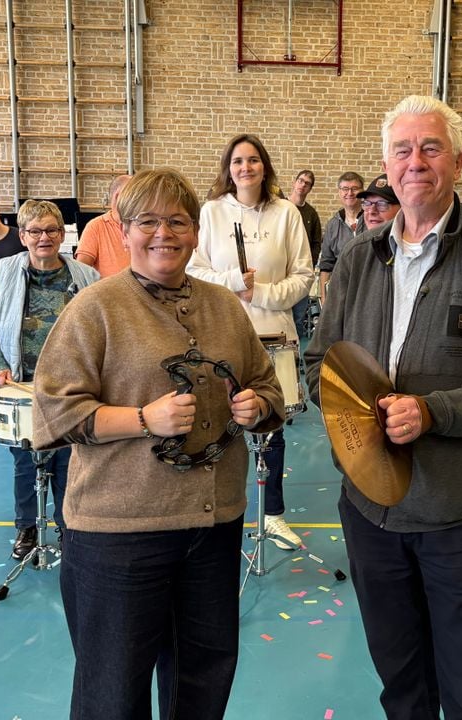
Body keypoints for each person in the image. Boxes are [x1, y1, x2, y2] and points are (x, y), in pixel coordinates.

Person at [304, 95, 462, 720]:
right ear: (386, 164)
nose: (416, 162)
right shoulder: (358, 258)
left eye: (431, 148)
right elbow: (320, 363)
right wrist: (351, 422)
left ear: (457, 162)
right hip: (368, 511)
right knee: (401, 682)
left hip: (453, 513)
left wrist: (433, 412)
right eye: (403, 150)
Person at [31, 168, 285, 720]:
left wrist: (257, 405)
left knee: (202, 679)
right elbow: (54, 413)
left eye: (177, 221)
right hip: (120, 532)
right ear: (123, 231)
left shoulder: (223, 306)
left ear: (195, 232)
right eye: (147, 221)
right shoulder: (95, 308)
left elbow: (267, 385)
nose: (163, 233)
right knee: (113, 691)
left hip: (212, 527)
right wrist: (144, 418)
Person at [188, 134, 313, 551]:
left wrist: (259, 293)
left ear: (265, 166)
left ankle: (272, 516)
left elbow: (303, 276)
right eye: (238, 161)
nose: (246, 168)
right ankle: (216, 514)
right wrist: (232, 282)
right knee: (216, 427)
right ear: (229, 168)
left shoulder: (287, 213)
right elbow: (194, 270)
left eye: (253, 160)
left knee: (270, 430)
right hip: (221, 336)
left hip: (274, 335)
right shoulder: (211, 212)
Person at [0, 200, 99, 560]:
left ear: (62, 235)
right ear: (23, 236)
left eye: (51, 230)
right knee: (26, 460)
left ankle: (68, 525)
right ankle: (27, 526)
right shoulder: (6, 271)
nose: (44, 237)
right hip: (20, 385)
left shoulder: (86, 277)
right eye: (35, 231)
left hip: (70, 388)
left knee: (69, 459)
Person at [315, 171, 364, 305]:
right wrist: (324, 298)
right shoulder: (333, 225)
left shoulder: (372, 219)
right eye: (345, 189)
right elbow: (326, 264)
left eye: (354, 188)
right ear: (339, 192)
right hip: (342, 291)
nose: (350, 193)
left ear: (362, 192)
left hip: (369, 289)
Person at [74, 173, 133, 277]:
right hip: (110, 287)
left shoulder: (140, 225)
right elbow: (81, 272)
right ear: (117, 196)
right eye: (133, 195)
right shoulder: (95, 226)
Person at [288, 169, 323, 338]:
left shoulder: (311, 214)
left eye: (307, 184)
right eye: (300, 181)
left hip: (300, 274)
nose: (302, 185)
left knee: (298, 318)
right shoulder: (280, 207)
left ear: (310, 189)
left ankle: (296, 354)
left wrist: (309, 265)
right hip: (279, 273)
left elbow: (317, 243)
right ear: (294, 182)